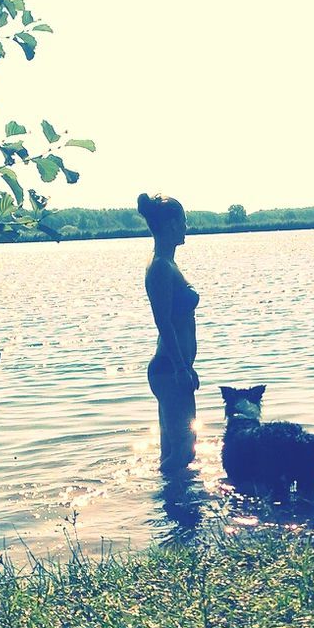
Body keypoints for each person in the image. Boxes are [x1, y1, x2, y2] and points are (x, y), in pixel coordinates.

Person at [138, 192, 199, 473]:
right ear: (171, 225)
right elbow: (163, 322)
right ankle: (167, 501)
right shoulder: (161, 267)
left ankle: (171, 508)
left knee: (172, 448)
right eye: (183, 221)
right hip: (168, 369)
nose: (186, 227)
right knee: (185, 449)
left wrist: (187, 365)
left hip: (175, 367)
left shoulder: (167, 263)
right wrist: (180, 368)